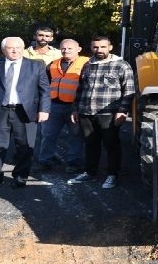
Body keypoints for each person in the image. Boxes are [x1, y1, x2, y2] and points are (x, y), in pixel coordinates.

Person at [0, 37, 50, 188]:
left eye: (19, 47)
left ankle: (21, 175)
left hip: (25, 111)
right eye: (11, 48)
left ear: (23, 49)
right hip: (0, 110)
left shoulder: (36, 66)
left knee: (25, 145)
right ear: (4, 50)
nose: (15, 50)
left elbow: (45, 90)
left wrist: (44, 109)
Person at [67, 36, 135, 189]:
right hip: (86, 111)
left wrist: (122, 111)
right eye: (95, 47)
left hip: (108, 113)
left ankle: (112, 175)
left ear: (110, 47)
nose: (99, 50)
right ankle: (90, 173)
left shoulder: (121, 65)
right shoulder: (88, 64)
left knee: (111, 145)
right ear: (91, 48)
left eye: (103, 47)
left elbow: (129, 90)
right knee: (91, 143)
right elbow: (80, 89)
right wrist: (75, 109)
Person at [37, 39, 89, 173]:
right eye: (63, 48)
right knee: (48, 135)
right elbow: (44, 84)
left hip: (75, 107)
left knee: (76, 136)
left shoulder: (87, 63)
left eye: (70, 48)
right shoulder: (53, 64)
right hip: (54, 105)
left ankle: (74, 163)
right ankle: (45, 161)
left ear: (79, 49)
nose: (66, 51)